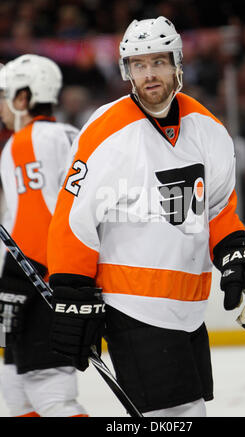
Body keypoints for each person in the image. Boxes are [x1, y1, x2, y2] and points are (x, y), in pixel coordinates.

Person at [47, 16, 245, 417]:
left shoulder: (208, 128)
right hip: (132, 306)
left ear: (177, 64)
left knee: (187, 412)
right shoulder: (105, 132)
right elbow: (71, 220)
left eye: (158, 62)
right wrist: (71, 291)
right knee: (179, 416)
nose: (149, 74)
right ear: (126, 71)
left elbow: (217, 207)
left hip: (188, 311)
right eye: (139, 64)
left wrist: (234, 250)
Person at [0, 54, 88, 417]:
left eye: (5, 94)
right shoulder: (72, 135)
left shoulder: (25, 142)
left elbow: (36, 223)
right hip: (66, 280)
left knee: (51, 394)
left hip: (40, 285)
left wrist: (13, 285)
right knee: (15, 388)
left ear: (24, 97)